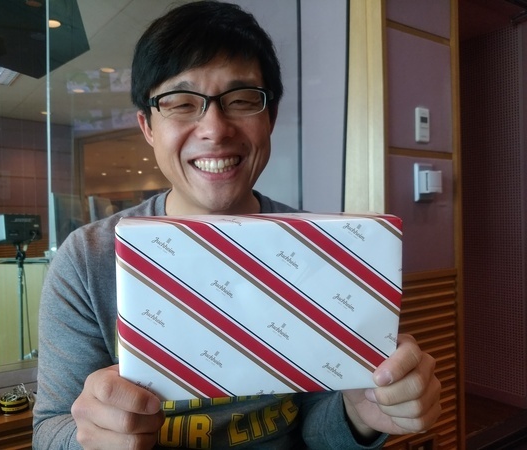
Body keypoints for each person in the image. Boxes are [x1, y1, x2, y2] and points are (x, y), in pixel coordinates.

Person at [32, 2, 441, 449]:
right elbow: (50, 429)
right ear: (148, 127)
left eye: (242, 100)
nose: (215, 129)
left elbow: (315, 431)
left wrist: (359, 415)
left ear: (271, 117)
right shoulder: (88, 258)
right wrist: (89, 438)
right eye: (181, 103)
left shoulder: (315, 249)